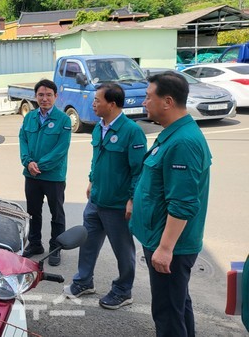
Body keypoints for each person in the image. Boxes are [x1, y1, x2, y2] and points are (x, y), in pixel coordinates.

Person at [130, 71, 211, 337]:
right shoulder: (173, 134)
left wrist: (165, 248)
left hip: (172, 247)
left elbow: (183, 203)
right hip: (162, 239)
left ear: (167, 101)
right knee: (177, 305)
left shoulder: (183, 142)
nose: (144, 102)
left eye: (147, 97)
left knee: (167, 312)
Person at [64, 83, 147, 309]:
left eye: (97, 100)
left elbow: (139, 170)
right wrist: (92, 179)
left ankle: (123, 290)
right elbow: (97, 159)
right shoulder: (100, 127)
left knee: (123, 250)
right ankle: (84, 281)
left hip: (117, 204)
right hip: (96, 200)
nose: (93, 104)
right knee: (88, 243)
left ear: (112, 104)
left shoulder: (132, 131)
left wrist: (132, 199)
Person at [19, 79, 71, 266]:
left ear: (56, 96)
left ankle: (56, 247)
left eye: (49, 95)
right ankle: (35, 244)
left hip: (53, 176)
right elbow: (23, 141)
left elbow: (61, 149)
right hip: (31, 175)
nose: (44, 98)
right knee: (33, 212)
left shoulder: (63, 120)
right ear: (35, 96)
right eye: (41, 94)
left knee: (56, 213)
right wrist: (28, 162)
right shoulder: (29, 117)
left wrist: (39, 165)